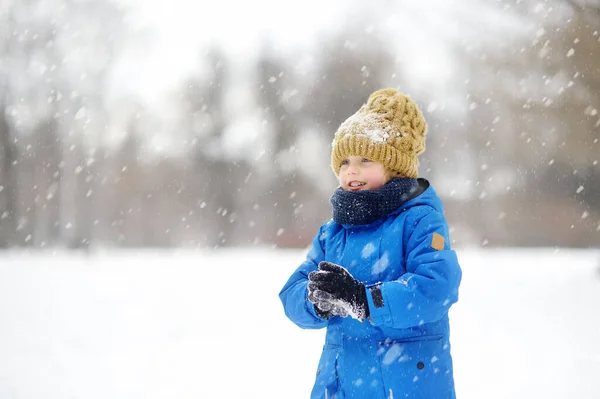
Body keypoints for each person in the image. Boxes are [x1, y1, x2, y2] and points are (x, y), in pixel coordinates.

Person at [279, 88, 462, 399]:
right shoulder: (332, 232)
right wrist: (314, 301)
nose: (352, 169)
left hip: (403, 382)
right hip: (341, 383)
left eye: (365, 159)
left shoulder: (419, 220)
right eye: (345, 161)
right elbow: (292, 291)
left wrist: (363, 299)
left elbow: (436, 287)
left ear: (395, 167)